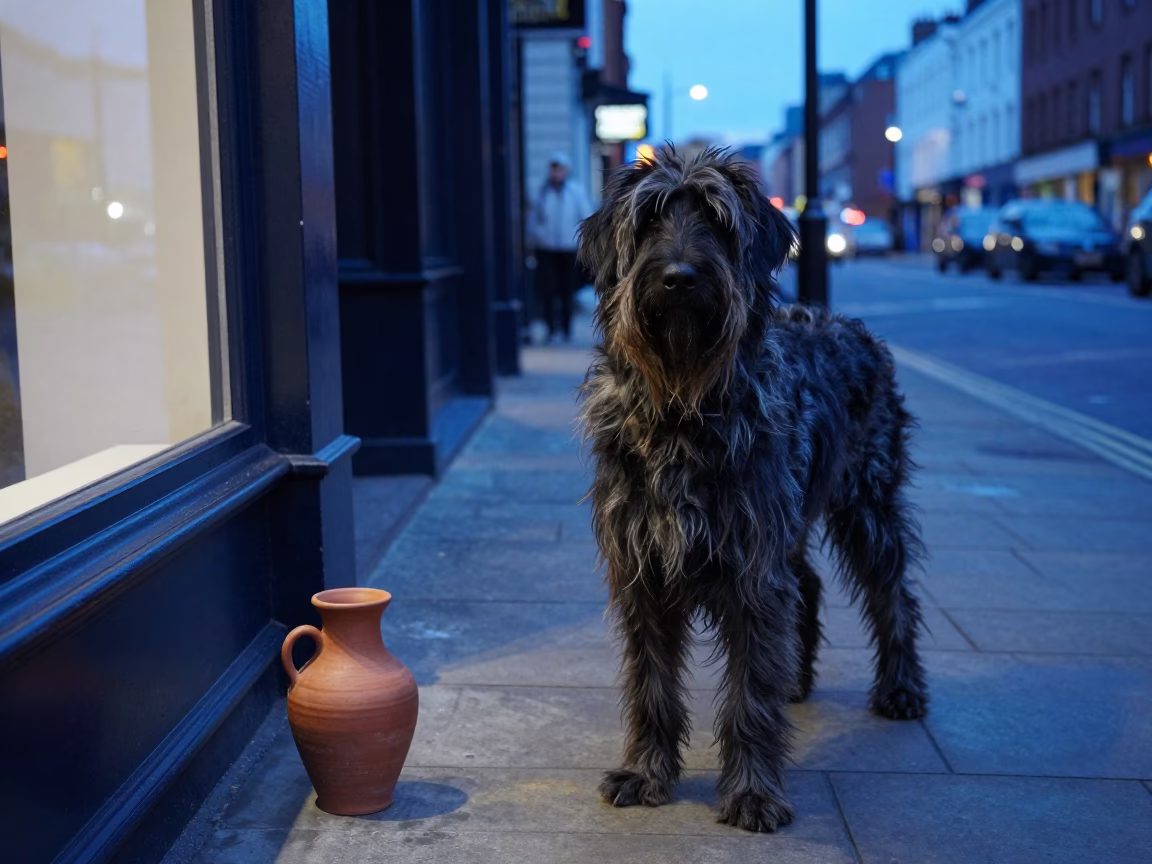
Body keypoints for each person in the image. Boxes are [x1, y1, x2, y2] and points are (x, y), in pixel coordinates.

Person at [532, 152, 591, 343]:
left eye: (560, 169)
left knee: (567, 290)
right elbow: (533, 220)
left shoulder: (575, 191)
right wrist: (536, 237)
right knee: (549, 290)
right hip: (546, 248)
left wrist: (582, 241)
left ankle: (565, 328)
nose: (556, 173)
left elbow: (585, 217)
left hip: (568, 248)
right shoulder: (542, 192)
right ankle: (551, 328)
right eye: (554, 169)